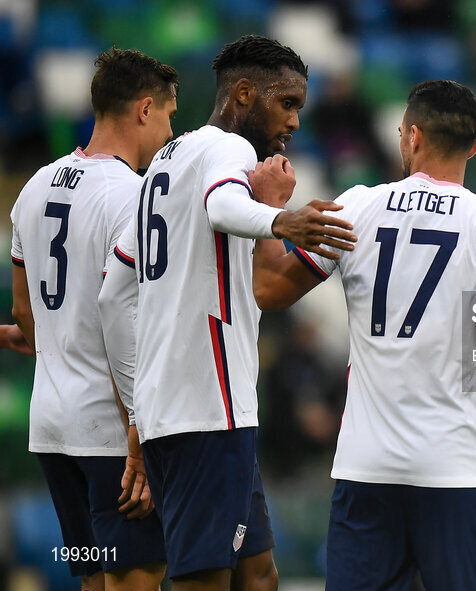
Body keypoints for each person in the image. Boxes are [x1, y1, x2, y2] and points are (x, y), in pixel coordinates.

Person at [247, 79, 476, 591]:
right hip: (457, 467)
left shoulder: (358, 206)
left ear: (411, 136)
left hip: (367, 466)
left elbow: (268, 288)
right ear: (475, 147)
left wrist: (271, 209)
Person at [97, 35, 353, 591]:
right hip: (207, 412)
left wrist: (139, 409)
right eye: (287, 104)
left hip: (189, 412)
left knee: (257, 573)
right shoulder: (226, 150)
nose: (294, 122)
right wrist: (279, 220)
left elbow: (113, 297)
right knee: (205, 579)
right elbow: (223, 205)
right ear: (243, 93)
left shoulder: (164, 164)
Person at [8, 47, 177, 591]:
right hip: (109, 433)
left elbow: (22, 311)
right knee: (138, 575)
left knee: (92, 576)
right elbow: (124, 322)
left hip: (52, 429)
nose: (169, 134)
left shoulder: (35, 186)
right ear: (145, 109)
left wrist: (50, 340)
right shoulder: (133, 196)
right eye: (171, 116)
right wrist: (139, 430)